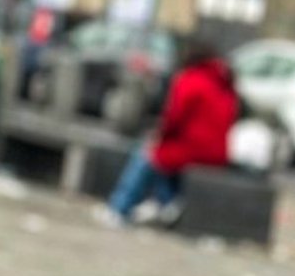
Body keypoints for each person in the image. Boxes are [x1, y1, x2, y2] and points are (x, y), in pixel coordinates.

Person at [102, 38, 241, 226]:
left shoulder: (190, 80)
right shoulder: (225, 84)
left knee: (150, 154)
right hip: (218, 152)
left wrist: (158, 136)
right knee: (162, 157)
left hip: (194, 148)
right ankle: (166, 202)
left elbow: (174, 119)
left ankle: (120, 208)